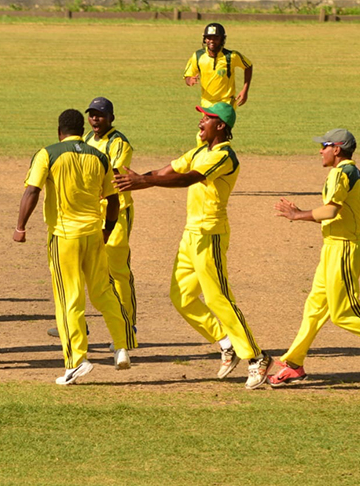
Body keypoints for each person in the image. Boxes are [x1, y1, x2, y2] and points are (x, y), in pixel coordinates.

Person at [114, 102, 273, 390]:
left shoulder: (224, 156)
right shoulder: (201, 151)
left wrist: (143, 181)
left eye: (207, 118)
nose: (200, 122)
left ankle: (257, 357)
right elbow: (167, 171)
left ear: (221, 126)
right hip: (191, 234)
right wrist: (133, 182)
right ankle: (226, 343)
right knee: (181, 296)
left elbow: (189, 178)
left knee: (218, 298)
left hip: (210, 234)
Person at [269, 129, 360, 386]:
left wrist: (297, 215)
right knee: (314, 309)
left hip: (344, 249)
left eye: (324, 146)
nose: (320, 150)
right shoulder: (347, 172)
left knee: (344, 312)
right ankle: (294, 363)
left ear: (337, 149)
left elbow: (330, 210)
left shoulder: (342, 173)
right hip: (333, 248)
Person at [14, 109, 136, 386]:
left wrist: (20, 227)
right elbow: (114, 199)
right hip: (94, 234)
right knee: (103, 291)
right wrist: (107, 229)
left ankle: (76, 361)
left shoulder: (48, 153)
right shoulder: (99, 156)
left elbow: (32, 191)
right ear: (82, 129)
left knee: (69, 299)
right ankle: (121, 346)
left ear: (59, 130)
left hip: (64, 237)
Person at [46, 97, 138, 347]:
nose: (96, 119)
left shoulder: (119, 143)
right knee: (86, 269)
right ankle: (78, 324)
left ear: (111, 118)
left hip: (117, 212)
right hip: (92, 213)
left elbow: (114, 174)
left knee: (117, 271)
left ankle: (128, 325)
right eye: (92, 114)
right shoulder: (85, 140)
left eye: (101, 115)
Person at [184, 23, 253, 109]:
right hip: (206, 103)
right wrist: (189, 80)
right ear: (205, 39)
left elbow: (248, 66)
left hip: (226, 103)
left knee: (216, 123)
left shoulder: (231, 56)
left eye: (216, 38)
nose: (212, 41)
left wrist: (245, 91)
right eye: (209, 38)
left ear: (222, 39)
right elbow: (187, 76)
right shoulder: (197, 56)